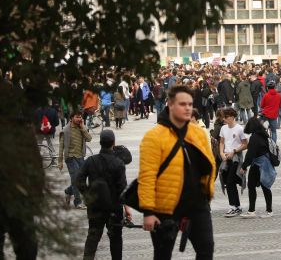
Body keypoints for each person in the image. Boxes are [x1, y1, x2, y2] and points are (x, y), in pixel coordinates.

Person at [139, 85, 216, 260]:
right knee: (162, 254)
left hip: (197, 204)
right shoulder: (154, 136)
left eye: (190, 104)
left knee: (206, 250)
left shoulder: (198, 133)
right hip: (165, 206)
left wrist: (207, 190)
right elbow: (147, 176)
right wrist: (148, 212)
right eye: (183, 104)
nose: (188, 108)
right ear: (170, 105)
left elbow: (209, 164)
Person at [77, 130, 130, 260]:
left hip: (95, 206)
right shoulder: (119, 163)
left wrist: (87, 195)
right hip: (114, 207)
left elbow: (79, 180)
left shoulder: (90, 161)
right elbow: (122, 188)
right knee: (116, 238)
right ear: (113, 143)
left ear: (100, 143)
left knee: (93, 237)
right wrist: (126, 208)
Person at [239, 118, 275, 218]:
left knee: (260, 186)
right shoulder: (263, 134)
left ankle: (264, 211)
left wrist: (244, 166)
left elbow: (250, 154)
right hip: (263, 163)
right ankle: (258, 210)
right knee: (261, 186)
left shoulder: (255, 137)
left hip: (260, 164)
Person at [58, 110, 92, 209]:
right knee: (77, 179)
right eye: (77, 117)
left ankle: (68, 191)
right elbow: (61, 147)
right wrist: (60, 161)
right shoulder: (65, 130)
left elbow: (89, 138)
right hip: (70, 157)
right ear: (71, 118)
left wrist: (83, 128)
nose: (79, 119)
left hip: (80, 156)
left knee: (80, 180)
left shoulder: (82, 127)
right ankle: (78, 202)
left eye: (80, 117)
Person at [219, 107, 248, 217]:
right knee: (227, 182)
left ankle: (234, 206)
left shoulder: (239, 129)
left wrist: (234, 151)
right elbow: (221, 142)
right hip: (226, 158)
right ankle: (236, 206)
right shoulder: (223, 128)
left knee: (231, 182)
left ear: (232, 117)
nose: (224, 119)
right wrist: (221, 153)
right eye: (223, 117)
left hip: (236, 159)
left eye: (226, 117)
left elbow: (245, 144)